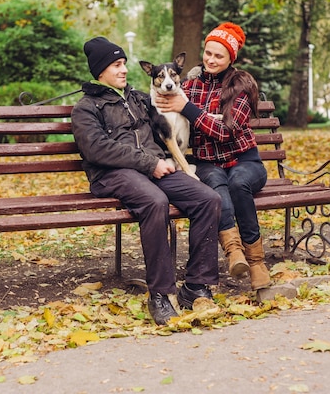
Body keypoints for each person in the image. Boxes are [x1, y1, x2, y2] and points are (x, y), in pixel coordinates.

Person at [71, 36, 222, 325]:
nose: (124, 70)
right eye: (117, 65)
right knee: (156, 202)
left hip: (155, 167)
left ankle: (196, 287)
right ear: (100, 70)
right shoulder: (87, 108)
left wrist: (193, 84)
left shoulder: (139, 99)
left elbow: (173, 103)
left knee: (208, 198)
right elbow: (96, 149)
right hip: (112, 174)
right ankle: (161, 295)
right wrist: (149, 163)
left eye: (125, 64)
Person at [155, 23, 272, 291]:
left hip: (245, 160)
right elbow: (162, 98)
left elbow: (226, 131)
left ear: (231, 58)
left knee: (238, 183)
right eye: (208, 53)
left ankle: (256, 262)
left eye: (219, 56)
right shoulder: (191, 84)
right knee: (216, 186)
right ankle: (234, 254)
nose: (210, 59)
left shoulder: (242, 84)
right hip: (208, 163)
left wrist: (189, 109)